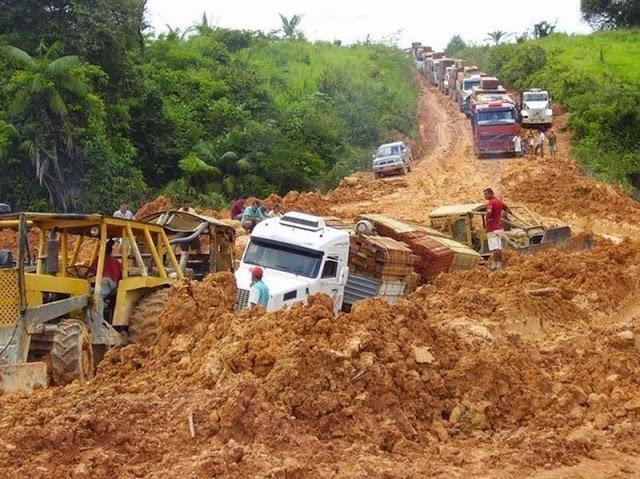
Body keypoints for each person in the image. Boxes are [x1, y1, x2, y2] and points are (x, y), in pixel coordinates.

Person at [91, 239, 122, 318]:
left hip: (109, 282)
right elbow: (91, 271)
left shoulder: (103, 260)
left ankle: (98, 321)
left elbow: (91, 271)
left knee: (98, 294)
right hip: (105, 281)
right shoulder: (115, 262)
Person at [483, 187, 510, 272]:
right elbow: (507, 208)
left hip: (492, 228)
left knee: (495, 248)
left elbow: (489, 212)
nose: (485, 196)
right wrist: (501, 216)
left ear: (490, 194)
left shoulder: (491, 203)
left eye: (486, 194)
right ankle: (499, 264)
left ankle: (494, 265)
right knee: (498, 247)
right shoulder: (499, 201)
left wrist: (487, 219)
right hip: (499, 227)